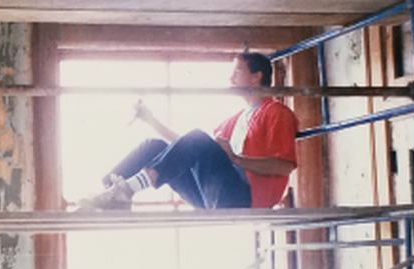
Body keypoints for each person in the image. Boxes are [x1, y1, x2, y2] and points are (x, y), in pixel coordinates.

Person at [78, 52, 298, 211]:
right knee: (154, 146)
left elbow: (285, 165)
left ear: (256, 76)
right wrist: (151, 120)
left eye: (237, 71)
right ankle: (106, 194)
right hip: (211, 195)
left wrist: (237, 159)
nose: (230, 79)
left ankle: (126, 190)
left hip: (244, 198)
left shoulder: (276, 112)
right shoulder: (235, 120)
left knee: (198, 137)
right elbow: (188, 149)